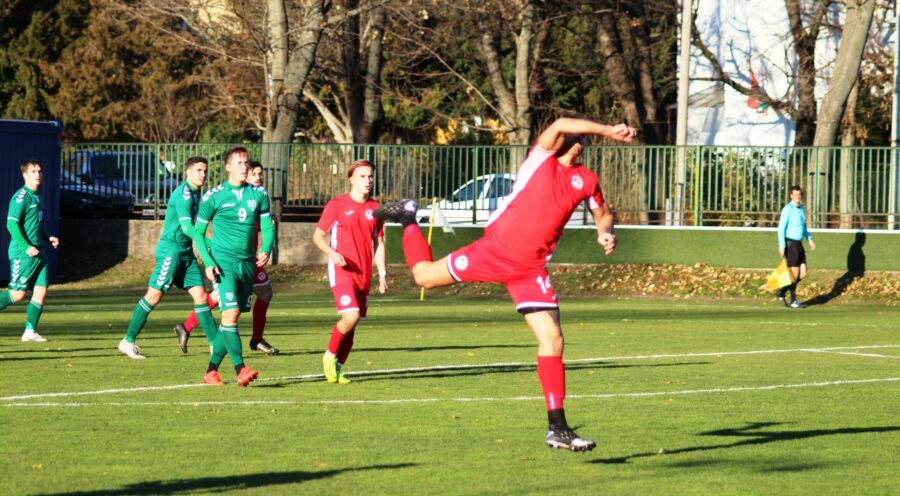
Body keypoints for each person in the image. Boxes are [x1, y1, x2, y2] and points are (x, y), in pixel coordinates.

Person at [375, 117, 637, 452]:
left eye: (582, 136)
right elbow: (560, 123)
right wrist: (609, 130)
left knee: (553, 340)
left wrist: (605, 231)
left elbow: (603, 213)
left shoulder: (586, 179)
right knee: (423, 276)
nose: (577, 138)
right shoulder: (541, 158)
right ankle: (408, 217)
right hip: (494, 251)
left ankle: (557, 429)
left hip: (530, 270)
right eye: (576, 133)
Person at [117, 157, 220, 359]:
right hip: (170, 252)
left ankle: (215, 344)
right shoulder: (184, 194)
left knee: (201, 296)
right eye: (199, 170)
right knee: (154, 296)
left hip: (186, 252)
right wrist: (209, 243)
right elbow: (187, 228)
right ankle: (127, 341)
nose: (203, 175)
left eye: (205, 171)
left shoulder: (195, 194)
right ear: (188, 172)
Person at [175, 161, 279, 355]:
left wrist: (266, 231)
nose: (259, 177)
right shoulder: (232, 198)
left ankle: (188, 327)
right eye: (254, 174)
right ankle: (239, 346)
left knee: (230, 297)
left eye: (260, 174)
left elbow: (261, 225)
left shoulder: (257, 198)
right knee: (242, 299)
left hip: (249, 260)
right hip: (232, 260)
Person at [193, 146, 273, 387]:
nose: (244, 167)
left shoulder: (259, 194)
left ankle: (211, 371)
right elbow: (198, 233)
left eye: (246, 162)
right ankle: (240, 368)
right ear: (228, 167)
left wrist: (267, 247)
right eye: (239, 163)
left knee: (230, 319)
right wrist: (209, 263)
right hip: (223, 264)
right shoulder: (213, 196)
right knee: (231, 313)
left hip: (247, 264)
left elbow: (267, 226)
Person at [312, 159, 387, 384]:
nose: (368, 180)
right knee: (351, 316)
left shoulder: (376, 209)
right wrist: (332, 254)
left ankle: (338, 368)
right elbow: (317, 236)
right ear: (351, 179)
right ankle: (329, 356)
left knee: (353, 325)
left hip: (363, 274)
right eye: (362, 176)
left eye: (370, 176)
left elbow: (379, 242)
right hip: (342, 270)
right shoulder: (337, 205)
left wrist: (382, 274)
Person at [0, 160, 60, 342]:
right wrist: (26, 247)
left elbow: (35, 225)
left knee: (41, 291)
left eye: (40, 171)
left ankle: (29, 331)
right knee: (17, 294)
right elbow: (11, 224)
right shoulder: (21, 197)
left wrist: (48, 237)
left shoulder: (37, 198)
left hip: (38, 251)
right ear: (25, 175)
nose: (38, 174)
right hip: (23, 253)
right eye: (33, 171)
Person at [776, 185, 816, 308]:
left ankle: (782, 291)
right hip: (790, 244)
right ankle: (793, 300)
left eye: (799, 195)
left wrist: (809, 239)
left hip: (799, 244)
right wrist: (782, 245)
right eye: (795, 195)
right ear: (791, 196)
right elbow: (781, 228)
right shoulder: (787, 209)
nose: (797, 197)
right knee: (794, 274)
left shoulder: (801, 208)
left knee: (802, 274)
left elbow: (803, 226)